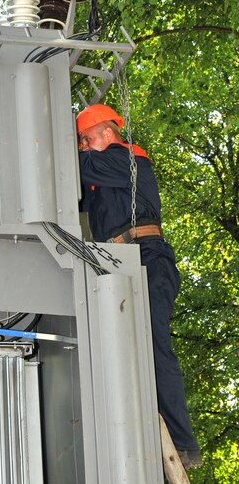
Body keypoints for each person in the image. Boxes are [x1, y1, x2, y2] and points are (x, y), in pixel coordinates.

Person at [77, 103, 202, 471]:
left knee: (154, 344)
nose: (83, 146)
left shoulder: (128, 159)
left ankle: (182, 443)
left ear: (107, 133)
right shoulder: (102, 178)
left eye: (86, 139)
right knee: (126, 353)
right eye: (81, 141)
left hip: (147, 258)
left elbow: (78, 168)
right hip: (121, 264)